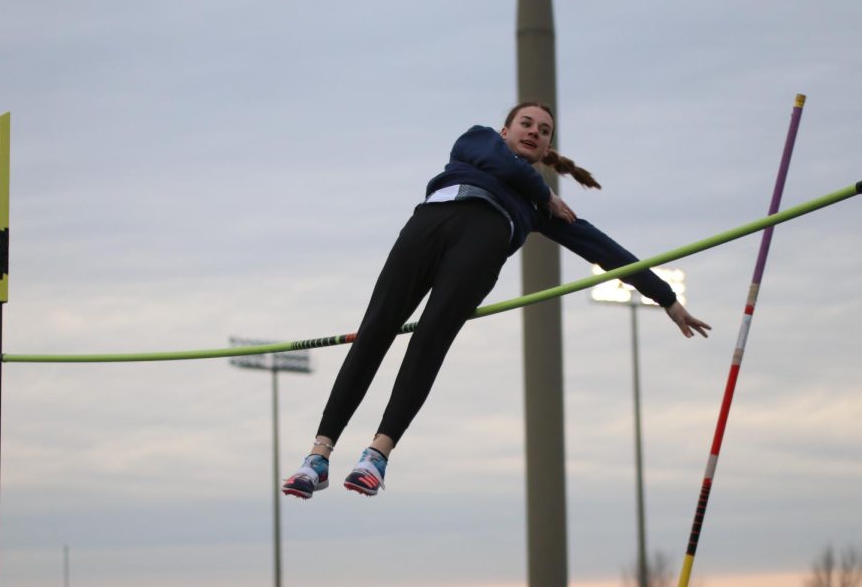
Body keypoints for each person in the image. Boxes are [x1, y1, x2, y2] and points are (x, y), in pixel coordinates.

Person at [281, 103, 711, 499]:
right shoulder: (477, 141)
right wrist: (544, 193)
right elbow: (506, 165)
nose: (534, 132)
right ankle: (318, 455)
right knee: (374, 331)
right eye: (527, 124)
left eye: (544, 131)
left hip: (481, 247)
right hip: (427, 227)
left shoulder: (541, 208)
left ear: (546, 149)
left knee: (430, 339)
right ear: (506, 130)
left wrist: (666, 297)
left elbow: (604, 249)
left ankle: (377, 453)